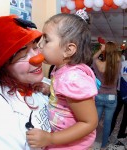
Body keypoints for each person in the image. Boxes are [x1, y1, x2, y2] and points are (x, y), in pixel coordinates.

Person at [26, 9, 98, 150]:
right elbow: (64, 97)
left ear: (68, 50)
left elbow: (89, 122)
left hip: (73, 146)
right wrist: (49, 90)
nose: (40, 45)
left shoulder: (73, 79)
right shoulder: (58, 69)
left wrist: (51, 138)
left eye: (46, 40)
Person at [0, 15, 51, 150]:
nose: (37, 59)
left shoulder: (41, 84)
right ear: (4, 67)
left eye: (35, 47)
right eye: (22, 55)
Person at [92, 42, 121, 149]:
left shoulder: (99, 64)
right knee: (108, 123)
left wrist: (102, 50)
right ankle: (103, 146)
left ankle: (90, 142)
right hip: (112, 97)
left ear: (105, 52)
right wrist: (112, 50)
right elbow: (118, 58)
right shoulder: (118, 65)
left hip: (99, 96)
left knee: (95, 121)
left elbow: (94, 58)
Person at [110, 50, 127, 146]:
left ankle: (109, 131)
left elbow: (116, 78)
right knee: (125, 116)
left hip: (120, 91)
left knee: (115, 113)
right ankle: (121, 134)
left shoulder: (121, 64)